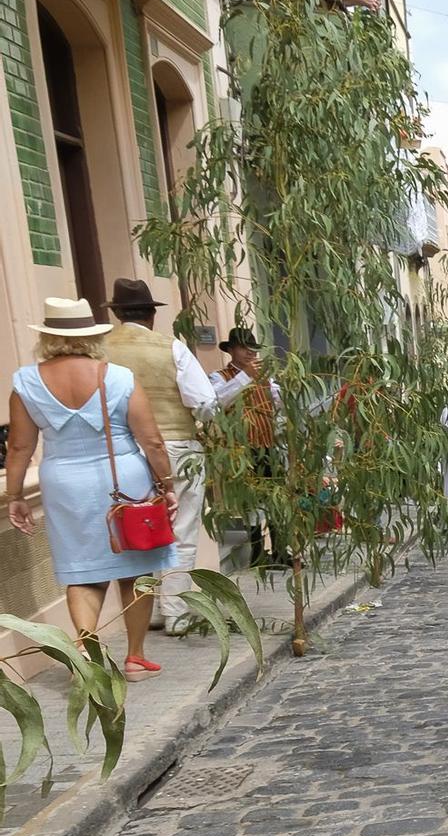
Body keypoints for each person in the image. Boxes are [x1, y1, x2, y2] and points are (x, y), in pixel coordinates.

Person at [6, 298, 177, 680]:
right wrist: (167, 486)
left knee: (81, 571)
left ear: (48, 337)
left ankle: (85, 647)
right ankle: (135, 658)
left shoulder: (26, 382)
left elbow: (19, 447)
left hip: (65, 483)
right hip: (124, 480)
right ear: (93, 337)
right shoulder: (118, 377)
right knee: (137, 568)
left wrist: (15, 495)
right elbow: (152, 442)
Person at [101, 278, 216, 636]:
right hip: (175, 445)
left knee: (139, 528)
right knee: (180, 528)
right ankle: (176, 612)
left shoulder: (99, 351)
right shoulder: (171, 348)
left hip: (121, 453)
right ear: (152, 315)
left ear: (118, 314)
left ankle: (146, 609)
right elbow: (204, 400)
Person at [210, 328, 286, 569]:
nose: (249, 353)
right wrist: (245, 377)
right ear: (231, 350)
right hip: (240, 449)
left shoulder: (267, 378)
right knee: (251, 501)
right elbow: (218, 401)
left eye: (252, 349)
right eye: (243, 348)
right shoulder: (219, 377)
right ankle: (257, 550)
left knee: (274, 499)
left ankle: (280, 549)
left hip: (268, 444)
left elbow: (279, 406)